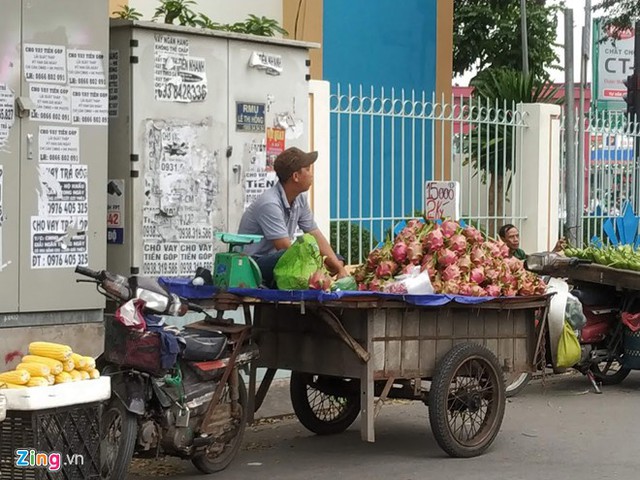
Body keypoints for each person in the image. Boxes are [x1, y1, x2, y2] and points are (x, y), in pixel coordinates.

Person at [238, 147, 348, 287]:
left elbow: (315, 234)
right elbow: (286, 250)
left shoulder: (300, 199)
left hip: (283, 258)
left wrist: (339, 268)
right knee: (298, 255)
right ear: (295, 176)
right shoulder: (269, 203)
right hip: (254, 264)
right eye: (307, 170)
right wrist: (321, 267)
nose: (311, 174)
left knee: (336, 258)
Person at [498, 224, 566, 260]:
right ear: (503, 239)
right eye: (511, 237)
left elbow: (534, 261)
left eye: (517, 236)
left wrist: (555, 250)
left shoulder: (520, 252)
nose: (516, 239)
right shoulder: (498, 255)